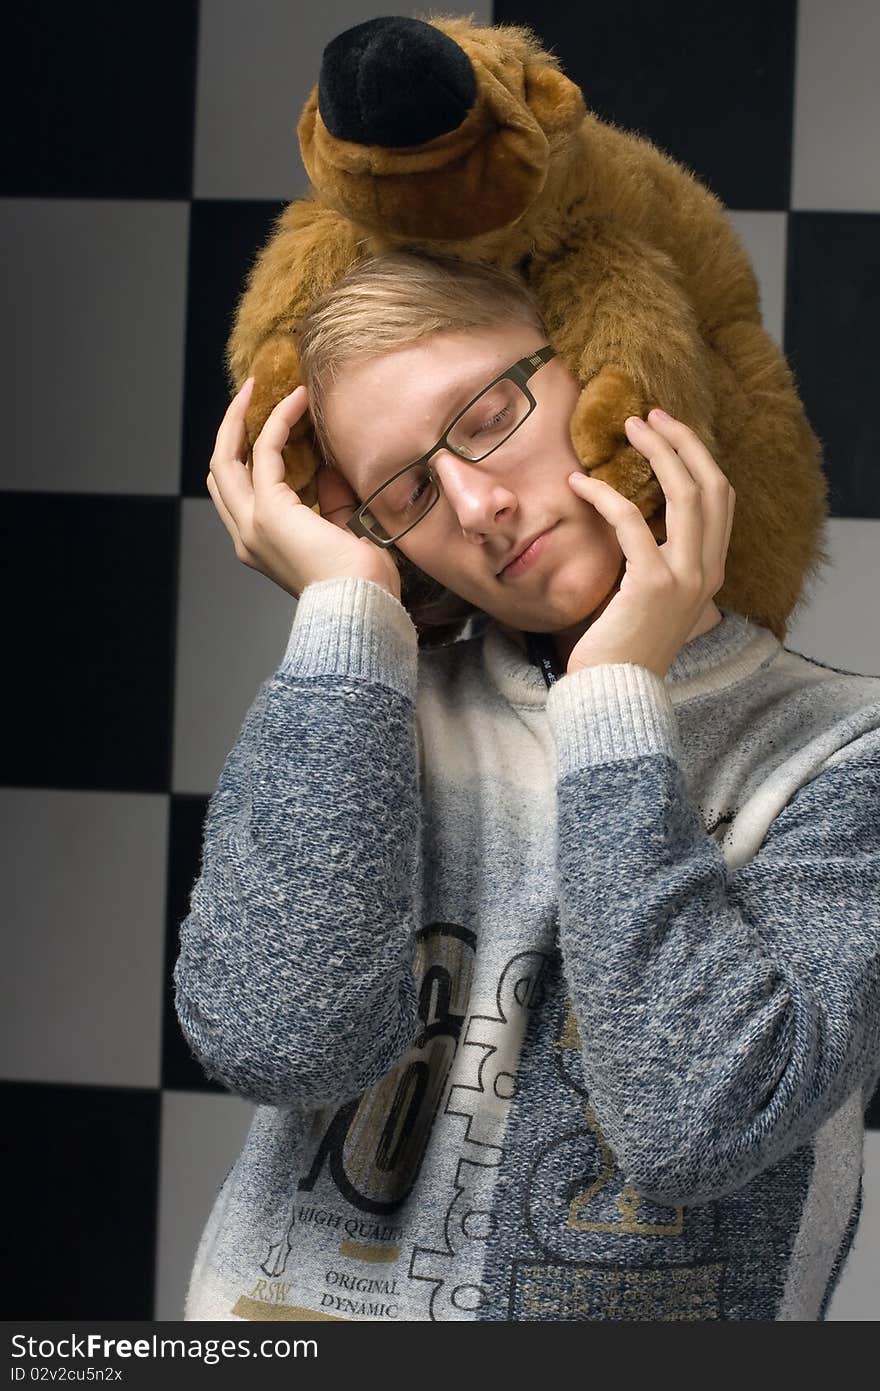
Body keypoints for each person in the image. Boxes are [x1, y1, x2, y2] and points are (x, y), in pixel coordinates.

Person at [176, 250, 880, 1323]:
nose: (475, 503)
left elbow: (692, 1126)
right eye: (406, 490)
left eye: (490, 413)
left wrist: (609, 696)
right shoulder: (356, 701)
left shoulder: (843, 751)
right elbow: (278, 1043)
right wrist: (347, 606)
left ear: (609, 385)